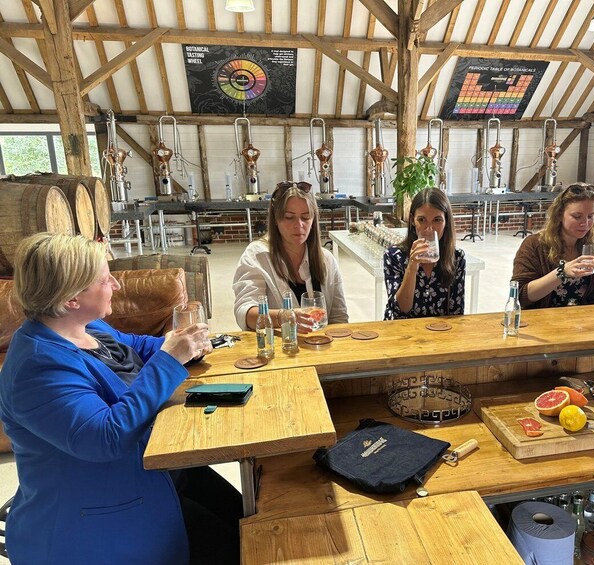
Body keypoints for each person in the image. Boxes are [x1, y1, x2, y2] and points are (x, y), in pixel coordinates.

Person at [0, 233, 241, 565]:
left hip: (156, 472)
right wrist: (169, 360)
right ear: (71, 298)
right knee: (237, 549)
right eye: (104, 279)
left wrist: (181, 344)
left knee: (249, 522)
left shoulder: (86, 328)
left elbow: (134, 347)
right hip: (102, 519)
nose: (115, 284)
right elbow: (105, 437)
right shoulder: (38, 366)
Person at [233, 181, 348, 332]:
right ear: (275, 219)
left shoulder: (326, 259)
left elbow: (339, 317)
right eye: (289, 217)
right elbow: (245, 312)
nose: (298, 225)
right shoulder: (257, 256)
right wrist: (284, 317)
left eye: (305, 217)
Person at [511, 182, 594, 308]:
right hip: (541, 318)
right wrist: (562, 272)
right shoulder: (534, 245)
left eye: (590, 216)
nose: (585, 223)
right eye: (577, 216)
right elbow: (519, 296)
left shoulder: (592, 246)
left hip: (580, 318)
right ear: (559, 214)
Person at [383, 188, 466, 319]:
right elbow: (401, 310)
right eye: (422, 220)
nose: (429, 228)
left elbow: (456, 313)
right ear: (412, 220)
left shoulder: (456, 258)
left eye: (437, 220)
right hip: (402, 328)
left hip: (440, 329)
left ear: (446, 221)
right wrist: (412, 267)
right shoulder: (394, 256)